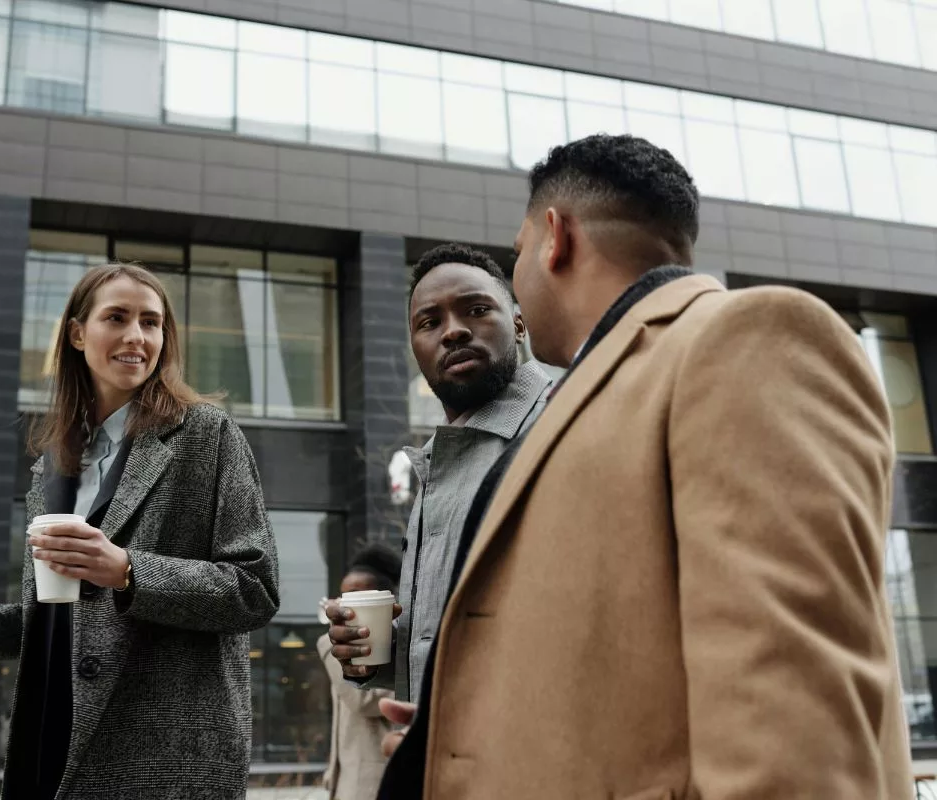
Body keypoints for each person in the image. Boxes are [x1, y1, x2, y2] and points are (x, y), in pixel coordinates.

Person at [378, 134, 913, 799]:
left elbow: (790, 714)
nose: (516, 282)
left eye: (515, 256)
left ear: (554, 238)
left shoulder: (747, 338)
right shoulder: (595, 399)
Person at [0, 263, 280, 800]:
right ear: (78, 333)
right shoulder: (57, 461)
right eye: (118, 317)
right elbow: (67, 617)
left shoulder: (205, 434)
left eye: (151, 323)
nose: (137, 336)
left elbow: (255, 590)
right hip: (50, 734)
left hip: (160, 757)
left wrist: (129, 571)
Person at [327, 243, 553, 702]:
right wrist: (382, 651)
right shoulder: (439, 459)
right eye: (429, 323)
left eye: (476, 309)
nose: (453, 332)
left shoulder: (562, 427)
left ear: (518, 321)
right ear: (416, 347)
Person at [317, 543, 403, 800]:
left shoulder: (397, 646)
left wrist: (327, 643)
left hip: (374, 780)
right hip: (344, 779)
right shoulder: (343, 643)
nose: (346, 604)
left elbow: (362, 700)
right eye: (343, 595)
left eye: (357, 594)